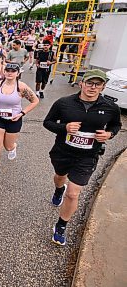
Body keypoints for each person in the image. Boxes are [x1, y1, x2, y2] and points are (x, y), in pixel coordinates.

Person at [43, 69, 121, 246]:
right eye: (89, 83)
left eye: (98, 84)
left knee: (73, 193)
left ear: (103, 87)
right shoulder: (64, 103)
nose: (93, 87)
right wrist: (65, 128)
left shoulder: (110, 107)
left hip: (87, 156)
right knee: (59, 177)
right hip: (62, 152)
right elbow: (47, 123)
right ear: (81, 84)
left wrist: (109, 134)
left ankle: (61, 226)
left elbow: (116, 125)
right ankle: (58, 189)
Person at [0, 63, 39, 180]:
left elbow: (35, 101)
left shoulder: (21, 87)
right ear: (4, 72)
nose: (10, 73)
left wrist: (22, 113)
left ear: (18, 73)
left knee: (7, 146)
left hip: (14, 120)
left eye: (13, 71)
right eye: (7, 70)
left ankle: (13, 147)